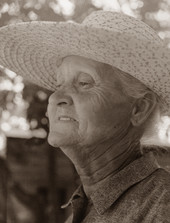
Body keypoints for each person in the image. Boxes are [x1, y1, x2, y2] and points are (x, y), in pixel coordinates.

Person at [0, 10, 170, 223]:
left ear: (139, 109)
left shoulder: (162, 205)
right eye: (59, 84)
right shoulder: (81, 208)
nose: (56, 98)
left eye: (84, 83)